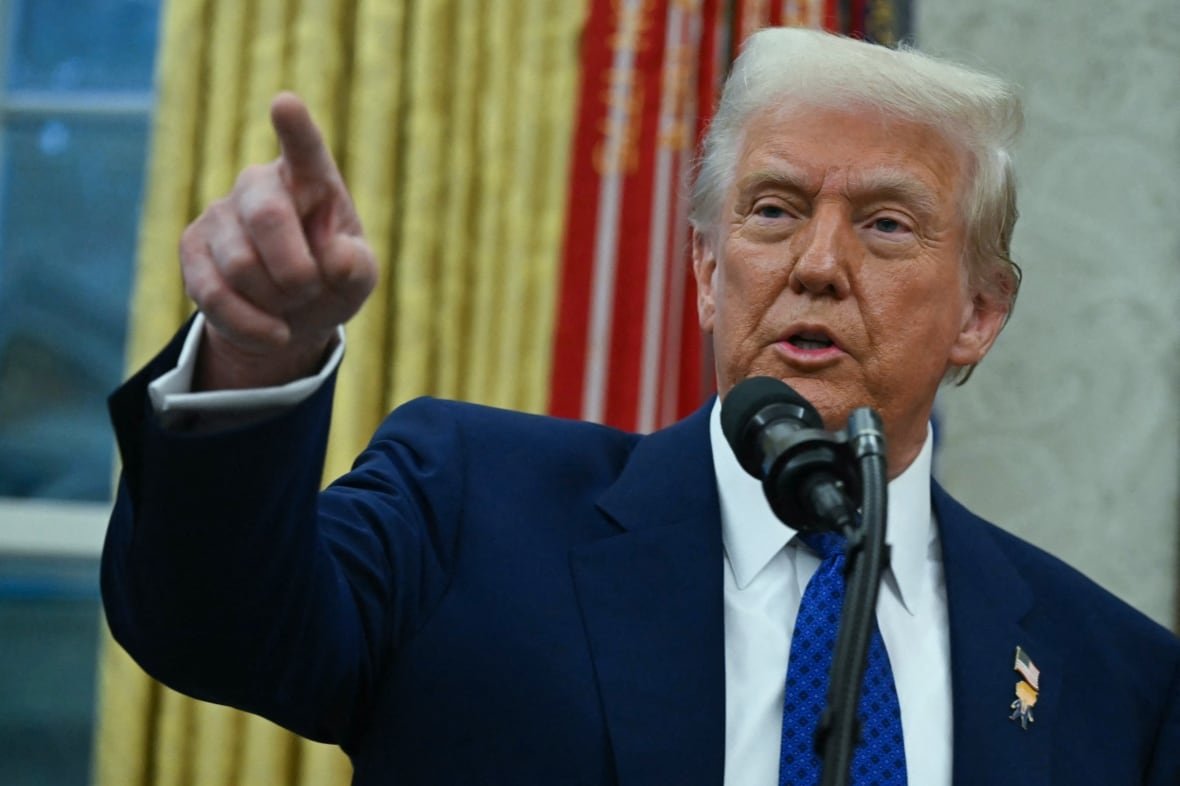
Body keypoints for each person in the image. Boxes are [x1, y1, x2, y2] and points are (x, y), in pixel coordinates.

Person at [102, 27, 1180, 785]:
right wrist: (253, 356)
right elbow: (210, 628)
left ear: (979, 315)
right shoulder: (467, 507)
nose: (815, 264)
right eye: (773, 210)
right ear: (709, 274)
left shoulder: (1115, 678)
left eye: (885, 225)